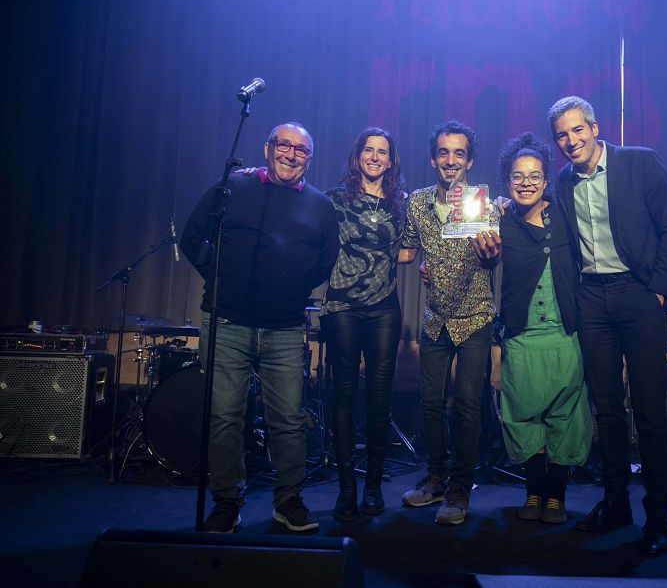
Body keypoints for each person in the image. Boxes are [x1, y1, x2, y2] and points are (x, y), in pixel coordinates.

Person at [181, 122, 339, 533]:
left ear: (310, 159)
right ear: (266, 148)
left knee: (288, 418)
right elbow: (193, 237)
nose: (290, 154)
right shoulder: (232, 187)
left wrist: (291, 289)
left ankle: (288, 501)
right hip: (228, 321)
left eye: (300, 150)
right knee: (224, 418)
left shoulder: (320, 205)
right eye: (282, 145)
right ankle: (226, 503)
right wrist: (221, 280)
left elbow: (326, 261)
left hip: (285, 328)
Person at [548, 96, 667, 555]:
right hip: (592, 300)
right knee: (605, 411)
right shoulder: (563, 181)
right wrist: (573, 307)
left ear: (595, 127)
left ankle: (659, 520)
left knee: (649, 410)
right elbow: (565, 250)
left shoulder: (638, 163)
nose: (571, 141)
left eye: (577, 130)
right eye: (562, 136)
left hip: (638, 295)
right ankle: (615, 504)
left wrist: (659, 292)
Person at [399, 120, 501, 525]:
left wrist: (492, 255)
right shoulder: (418, 203)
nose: (451, 160)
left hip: (475, 315)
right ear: (433, 158)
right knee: (429, 404)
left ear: (470, 161)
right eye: (444, 152)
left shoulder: (486, 205)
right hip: (435, 317)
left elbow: (493, 259)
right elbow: (407, 251)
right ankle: (436, 476)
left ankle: (461, 486)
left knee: (468, 405)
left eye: (459, 153)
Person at [495, 133, 592, 524]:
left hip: (564, 335)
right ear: (507, 181)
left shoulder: (565, 217)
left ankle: (556, 496)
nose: (526, 183)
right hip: (521, 337)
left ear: (546, 179)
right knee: (524, 420)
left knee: (564, 421)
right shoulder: (500, 220)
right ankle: (533, 492)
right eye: (518, 176)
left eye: (534, 175)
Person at [319, 127, 410, 522]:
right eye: (368, 150)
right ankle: (346, 489)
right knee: (343, 395)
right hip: (341, 306)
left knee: (378, 397)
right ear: (357, 156)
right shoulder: (332, 200)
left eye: (382, 152)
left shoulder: (401, 203)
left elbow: (407, 249)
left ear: (391, 161)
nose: (375, 157)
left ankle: (373, 486)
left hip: (384, 310)